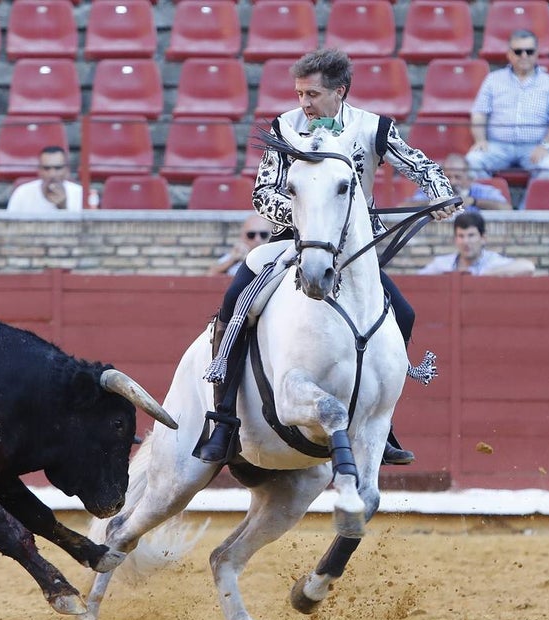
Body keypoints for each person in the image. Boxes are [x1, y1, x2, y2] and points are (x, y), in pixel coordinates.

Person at [195, 48, 458, 466]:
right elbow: (263, 194)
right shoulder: (285, 128)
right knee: (236, 300)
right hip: (292, 241)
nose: (304, 103)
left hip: (352, 252)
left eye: (313, 94)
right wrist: (305, 218)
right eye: (300, 93)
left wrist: (441, 194)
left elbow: (420, 166)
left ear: (340, 91)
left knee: (403, 315)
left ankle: (380, 422)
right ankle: (224, 419)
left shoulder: (373, 127)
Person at [466, 30, 549, 182]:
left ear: (537, 53)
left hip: (534, 146)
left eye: (529, 51)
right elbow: (479, 113)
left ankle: (526, 206)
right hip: (497, 146)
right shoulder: (493, 80)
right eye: (518, 51)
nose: (524, 56)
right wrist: (480, 140)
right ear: (509, 54)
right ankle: (495, 202)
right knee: (472, 162)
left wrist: (546, 145)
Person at [419, 212, 535, 276]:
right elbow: (417, 280)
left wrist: (486, 274)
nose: (466, 241)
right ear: (455, 239)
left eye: (471, 235)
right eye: (461, 236)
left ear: (483, 238)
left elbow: (528, 267)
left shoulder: (493, 262)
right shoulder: (443, 264)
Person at [398, 153, 512, 212]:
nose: (452, 182)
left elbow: (507, 210)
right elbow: (402, 208)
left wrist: (474, 202)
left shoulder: (482, 191)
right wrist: (432, 203)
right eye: (448, 177)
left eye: (458, 177)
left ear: (468, 177)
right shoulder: (431, 191)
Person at [6, 146, 83, 212]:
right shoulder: (22, 193)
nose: (52, 174)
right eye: (46, 168)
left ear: (67, 171)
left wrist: (63, 208)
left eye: (58, 168)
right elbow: (8, 226)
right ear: (39, 171)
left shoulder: (80, 194)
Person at [206, 215, 272, 276]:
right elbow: (209, 277)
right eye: (251, 235)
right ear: (243, 236)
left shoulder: (276, 255)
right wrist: (232, 261)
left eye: (263, 234)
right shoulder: (234, 257)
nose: (257, 239)